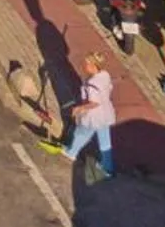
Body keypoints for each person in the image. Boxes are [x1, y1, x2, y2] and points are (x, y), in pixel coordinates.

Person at [39, 52, 116, 183]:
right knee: (105, 141)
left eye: (87, 64)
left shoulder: (92, 84)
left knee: (81, 133)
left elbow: (94, 103)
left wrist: (79, 109)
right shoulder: (105, 75)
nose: (84, 66)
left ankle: (72, 152)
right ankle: (108, 168)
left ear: (93, 66)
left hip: (93, 117)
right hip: (106, 113)